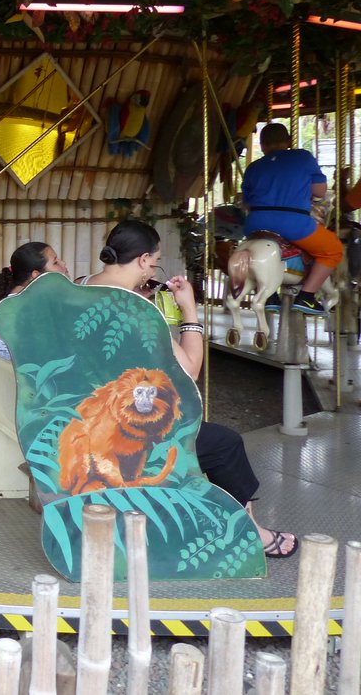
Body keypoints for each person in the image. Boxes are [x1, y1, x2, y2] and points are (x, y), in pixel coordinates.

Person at [79, 219, 299, 558]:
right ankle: (251, 532)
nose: (151, 270)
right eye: (153, 263)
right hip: (124, 435)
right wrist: (188, 310)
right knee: (225, 444)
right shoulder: (138, 311)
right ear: (141, 261)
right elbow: (189, 371)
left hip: (83, 419)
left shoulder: (80, 287)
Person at [241, 122, 343, 314]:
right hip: (293, 224)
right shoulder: (302, 157)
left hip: (255, 225)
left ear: (262, 145)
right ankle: (307, 297)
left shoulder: (254, 167)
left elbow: (246, 202)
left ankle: (270, 295)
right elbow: (320, 192)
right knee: (333, 249)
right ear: (288, 142)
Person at [0, 242, 68, 360]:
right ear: (36, 275)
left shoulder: (19, 300)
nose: (63, 263)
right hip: (8, 375)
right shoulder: (25, 307)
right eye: (55, 262)